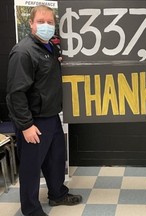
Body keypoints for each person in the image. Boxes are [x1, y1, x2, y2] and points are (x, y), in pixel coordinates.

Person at [6, 5, 82, 216]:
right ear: (31, 24)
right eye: (41, 21)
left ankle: (57, 194)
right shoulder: (23, 52)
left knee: (56, 159)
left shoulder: (50, 48)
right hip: (33, 121)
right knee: (31, 167)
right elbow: (15, 94)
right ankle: (31, 210)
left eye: (50, 22)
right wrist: (26, 126)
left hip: (51, 116)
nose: (46, 26)